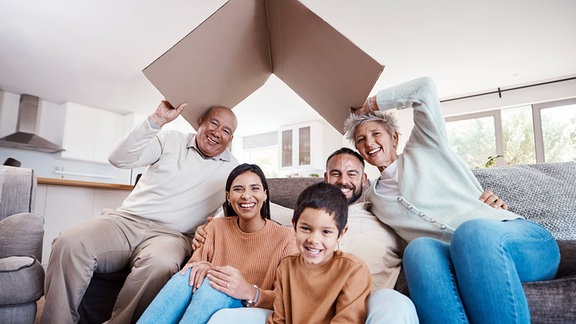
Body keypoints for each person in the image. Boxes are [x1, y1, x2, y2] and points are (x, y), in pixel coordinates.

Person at [346, 76, 560, 324]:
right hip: (458, 263)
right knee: (418, 250)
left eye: (375, 133)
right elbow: (341, 209)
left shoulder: (425, 148)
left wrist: (370, 105)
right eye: (361, 139)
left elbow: (424, 88)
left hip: (521, 244)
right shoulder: (374, 197)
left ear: (394, 137)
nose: (369, 142)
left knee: (472, 232)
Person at [41, 100, 239, 324]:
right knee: (69, 242)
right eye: (213, 123)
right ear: (199, 122)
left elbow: (233, 209)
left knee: (161, 264)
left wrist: (212, 226)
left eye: (226, 131)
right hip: (125, 221)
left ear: (230, 139)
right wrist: (156, 120)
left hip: (172, 235)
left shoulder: (232, 170)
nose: (217, 133)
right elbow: (118, 158)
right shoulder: (170, 139)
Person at [137, 163, 298, 323]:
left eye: (254, 188)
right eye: (238, 189)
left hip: (248, 308)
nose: (246, 195)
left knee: (214, 288)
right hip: (209, 297)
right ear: (228, 197)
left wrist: (250, 292)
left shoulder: (287, 238)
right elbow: (193, 268)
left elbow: (286, 299)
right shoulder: (215, 226)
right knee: (185, 277)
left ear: (265, 195)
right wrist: (204, 266)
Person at [267, 181, 371, 323]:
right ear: (294, 225)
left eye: (326, 232)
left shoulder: (353, 269)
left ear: (341, 234)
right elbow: (279, 320)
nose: (314, 240)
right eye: (306, 228)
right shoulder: (286, 267)